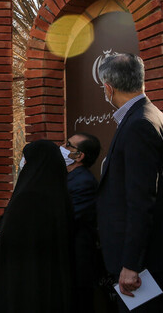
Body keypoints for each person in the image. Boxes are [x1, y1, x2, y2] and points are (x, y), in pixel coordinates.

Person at [97, 53, 163, 312]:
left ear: (109, 88)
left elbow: (141, 201)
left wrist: (131, 264)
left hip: (141, 264)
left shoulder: (140, 124)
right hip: (144, 258)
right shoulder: (148, 116)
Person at [0, 139, 74, 312]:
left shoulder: (28, 197)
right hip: (50, 284)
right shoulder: (59, 195)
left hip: (22, 284)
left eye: (26, 160)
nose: (23, 164)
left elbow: (10, 237)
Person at [62, 132, 100, 313]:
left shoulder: (83, 182)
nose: (63, 147)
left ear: (79, 156)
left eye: (68, 145)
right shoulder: (66, 177)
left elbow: (69, 218)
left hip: (77, 264)